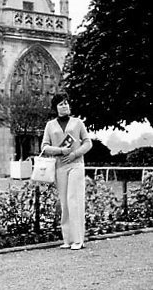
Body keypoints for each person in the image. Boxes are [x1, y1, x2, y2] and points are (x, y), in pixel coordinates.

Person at [41, 91, 92, 250]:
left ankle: (78, 240)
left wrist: (75, 154)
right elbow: (44, 147)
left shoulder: (78, 123)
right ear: (55, 107)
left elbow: (88, 143)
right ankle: (67, 239)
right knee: (64, 202)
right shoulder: (50, 125)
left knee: (74, 200)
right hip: (59, 167)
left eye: (66, 103)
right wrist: (60, 151)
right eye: (61, 104)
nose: (65, 106)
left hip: (76, 165)